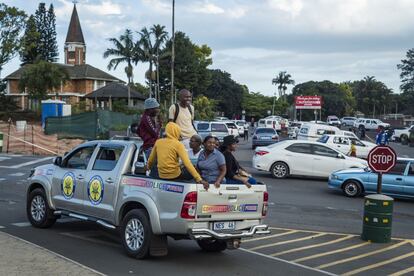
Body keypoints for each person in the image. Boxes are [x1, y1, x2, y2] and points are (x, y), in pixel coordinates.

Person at [146, 122, 209, 189]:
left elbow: (151, 159)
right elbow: (187, 164)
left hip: (161, 175)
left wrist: (148, 167)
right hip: (174, 175)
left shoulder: (158, 142)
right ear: (177, 132)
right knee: (191, 169)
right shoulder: (178, 144)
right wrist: (199, 179)